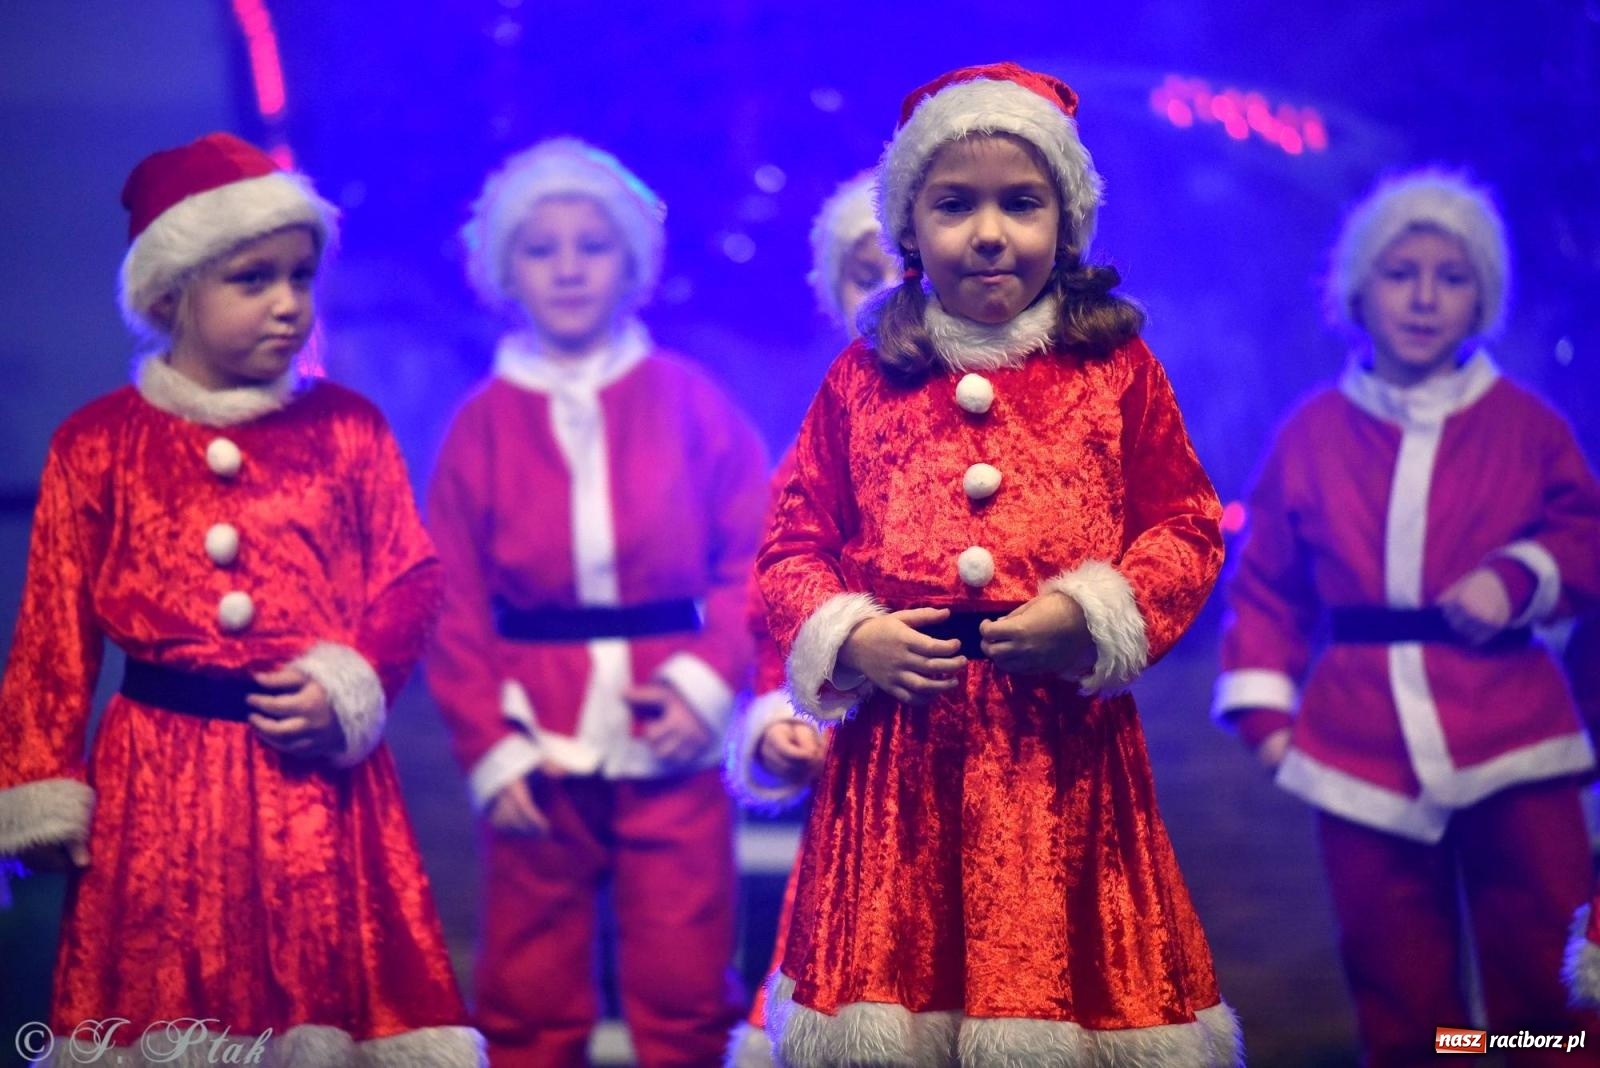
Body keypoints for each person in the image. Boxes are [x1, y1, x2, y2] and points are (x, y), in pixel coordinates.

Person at [757, 63, 1238, 1066]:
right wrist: (853, 637)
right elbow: (791, 545)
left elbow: (1186, 527)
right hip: (901, 760)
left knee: (1059, 1004)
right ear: (908, 228)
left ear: (1064, 222)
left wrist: (1094, 615)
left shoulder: (1115, 370)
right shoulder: (862, 378)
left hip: (1060, 752)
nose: (988, 233)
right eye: (955, 205)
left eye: (1020, 204)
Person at [0, 132, 481, 1066]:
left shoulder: (348, 427)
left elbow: (410, 575)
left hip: (314, 778)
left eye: (302, 277)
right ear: (170, 292)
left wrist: (352, 679)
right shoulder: (96, 443)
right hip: (159, 781)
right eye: (254, 280)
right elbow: (52, 625)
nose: (290, 306)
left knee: (321, 1004)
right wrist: (39, 776)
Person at [1214, 170, 1600, 1066]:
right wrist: (1271, 724)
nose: (1425, 298)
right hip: (1360, 744)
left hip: (1516, 735)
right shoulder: (1310, 434)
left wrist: (1519, 576)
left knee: (1548, 968)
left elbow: (1586, 535)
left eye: (1452, 276)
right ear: (1358, 290)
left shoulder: (1525, 425)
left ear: (1482, 299)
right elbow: (1266, 584)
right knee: (1397, 980)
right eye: (1400, 272)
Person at [426, 138, 770, 1067]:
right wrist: (489, 748)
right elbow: (449, 601)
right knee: (527, 989)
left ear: (632, 263)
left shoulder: (693, 403)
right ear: (506, 270)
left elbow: (757, 554)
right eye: (542, 249)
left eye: (593, 245)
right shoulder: (479, 427)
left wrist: (707, 685)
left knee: (687, 980)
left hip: (671, 726)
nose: (570, 268)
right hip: (533, 731)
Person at [723, 170, 895, 1068]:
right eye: (865, 274)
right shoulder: (826, 436)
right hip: (864, 774)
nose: (891, 291)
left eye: (907, 263)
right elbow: (778, 605)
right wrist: (782, 717)